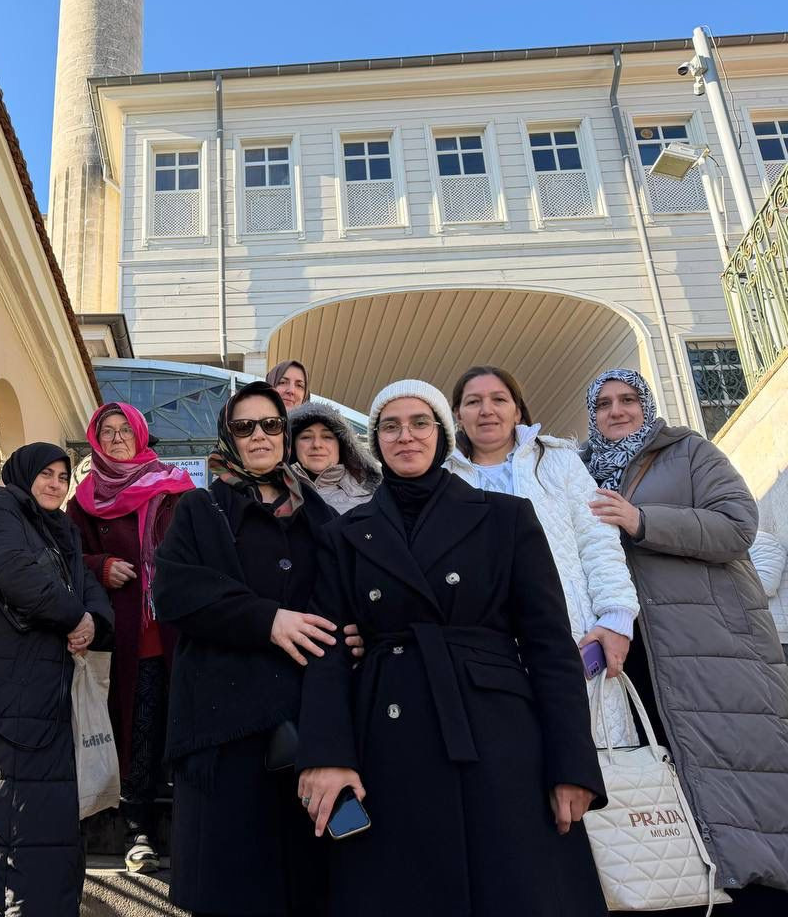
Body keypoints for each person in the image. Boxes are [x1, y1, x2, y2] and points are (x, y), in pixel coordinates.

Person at [298, 379, 608, 917]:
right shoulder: (344, 533)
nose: (406, 436)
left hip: (500, 737)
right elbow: (326, 649)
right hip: (386, 736)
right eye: (390, 426)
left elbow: (549, 648)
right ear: (376, 441)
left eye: (420, 423)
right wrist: (327, 755)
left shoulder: (506, 516)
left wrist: (573, 765)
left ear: (442, 433)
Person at [582, 369, 788, 912]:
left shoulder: (689, 452)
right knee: (660, 777)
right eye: (603, 404)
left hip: (713, 642)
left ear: (647, 406)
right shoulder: (580, 469)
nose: (617, 411)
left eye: (628, 400)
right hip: (634, 650)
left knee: (741, 768)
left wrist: (641, 520)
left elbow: (737, 526)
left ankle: (757, 889)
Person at [154, 380, 337, 917]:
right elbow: (174, 592)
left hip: (300, 723)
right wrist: (266, 619)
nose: (259, 435)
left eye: (271, 424)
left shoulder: (318, 513)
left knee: (301, 886)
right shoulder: (200, 508)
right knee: (228, 886)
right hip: (222, 730)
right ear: (228, 435)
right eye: (244, 426)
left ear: (285, 433)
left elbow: (342, 596)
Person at [0, 444, 114, 917]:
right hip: (1, 700)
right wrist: (75, 616)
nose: (55, 484)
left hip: (50, 703)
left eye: (63, 477)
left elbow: (91, 590)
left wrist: (93, 620)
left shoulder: (62, 532)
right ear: (24, 474)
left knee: (44, 833)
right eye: (46, 474)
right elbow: (11, 571)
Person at [443, 365, 639, 746]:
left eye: (499, 399)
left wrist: (617, 619)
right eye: (473, 402)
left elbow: (598, 542)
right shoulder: (443, 477)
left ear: (517, 410)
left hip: (572, 634)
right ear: (457, 415)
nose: (487, 410)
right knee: (507, 755)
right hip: (483, 648)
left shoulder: (559, 461)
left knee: (589, 752)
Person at [66, 401, 194, 873]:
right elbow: (67, 557)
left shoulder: (175, 486)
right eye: (107, 431)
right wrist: (100, 566)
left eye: (125, 430)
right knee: (136, 728)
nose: (117, 438)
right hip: (125, 634)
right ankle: (137, 828)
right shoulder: (84, 500)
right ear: (96, 441)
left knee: (178, 723)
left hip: (178, 629)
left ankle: (193, 830)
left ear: (140, 434)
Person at [288, 401, 381, 514]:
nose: (317, 444)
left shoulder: (375, 500)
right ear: (293, 446)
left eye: (327, 437)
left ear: (342, 445)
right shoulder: (273, 490)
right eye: (306, 437)